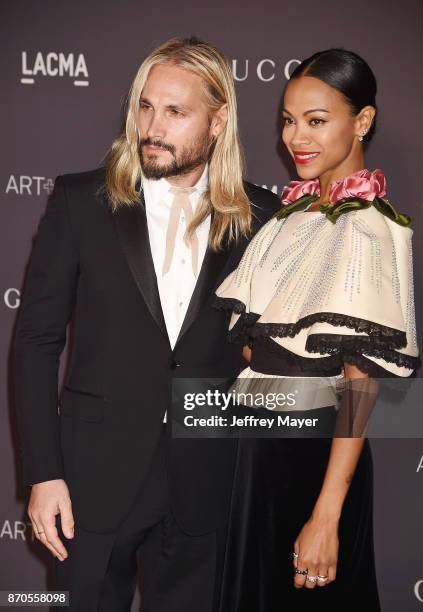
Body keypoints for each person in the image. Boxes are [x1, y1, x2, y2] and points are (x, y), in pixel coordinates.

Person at [12, 37, 280, 612]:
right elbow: (35, 342)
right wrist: (43, 473)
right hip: (91, 476)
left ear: (218, 121)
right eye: (145, 106)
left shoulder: (261, 218)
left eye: (176, 112)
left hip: (206, 478)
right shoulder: (80, 200)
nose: (152, 127)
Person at [214, 48, 420, 611]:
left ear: (363, 121)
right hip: (255, 456)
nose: (295, 137)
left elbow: (359, 384)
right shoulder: (287, 221)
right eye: (288, 119)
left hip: (312, 463)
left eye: (316, 120)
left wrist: (326, 516)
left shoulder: (373, 231)